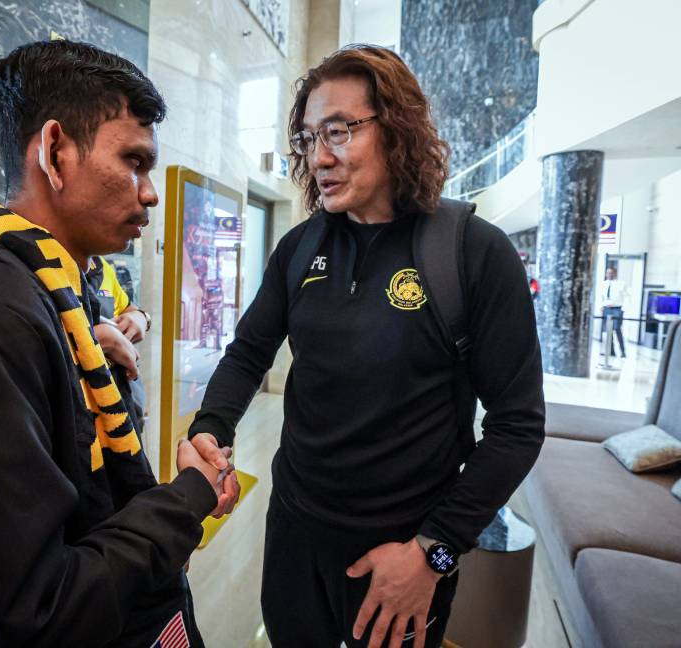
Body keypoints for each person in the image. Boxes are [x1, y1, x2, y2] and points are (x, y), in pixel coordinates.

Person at [0, 40, 239, 648]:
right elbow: (28, 617)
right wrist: (185, 499)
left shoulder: (61, 294)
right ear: (55, 151)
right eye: (134, 162)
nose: (150, 193)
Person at [186, 46, 545, 648]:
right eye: (308, 138)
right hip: (295, 533)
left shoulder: (472, 253)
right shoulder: (299, 248)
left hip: (402, 555)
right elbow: (249, 352)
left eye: (339, 131)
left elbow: (518, 426)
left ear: (397, 129)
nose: (319, 157)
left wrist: (433, 553)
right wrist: (209, 427)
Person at [88, 255, 150, 434]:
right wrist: (99, 339)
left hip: (124, 403)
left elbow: (128, 308)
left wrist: (141, 318)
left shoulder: (99, 266)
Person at [600, 265, 627, 357]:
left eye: (611, 273)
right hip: (606, 309)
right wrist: (601, 306)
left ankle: (623, 351)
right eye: (608, 273)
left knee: (617, 329)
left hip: (617, 309)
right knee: (608, 330)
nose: (609, 274)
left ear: (615, 274)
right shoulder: (603, 284)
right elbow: (601, 297)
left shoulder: (621, 284)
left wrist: (624, 309)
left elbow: (626, 297)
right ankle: (611, 351)